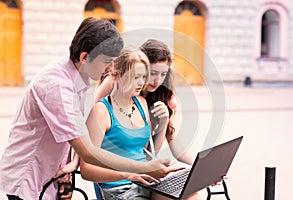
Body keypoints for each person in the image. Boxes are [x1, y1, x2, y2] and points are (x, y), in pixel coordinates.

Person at [0, 18, 173, 200]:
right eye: (107, 61)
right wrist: (143, 168)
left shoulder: (77, 75)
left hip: (51, 174)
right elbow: (87, 151)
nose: (111, 68)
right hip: (29, 177)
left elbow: (70, 130)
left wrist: (68, 165)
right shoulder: (57, 87)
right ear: (84, 57)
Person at [93, 39, 201, 199]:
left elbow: (152, 151)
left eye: (163, 74)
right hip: (116, 178)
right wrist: (75, 161)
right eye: (152, 73)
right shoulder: (114, 83)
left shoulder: (150, 99)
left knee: (191, 195)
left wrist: (200, 169)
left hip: (143, 175)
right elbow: (90, 125)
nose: (157, 80)